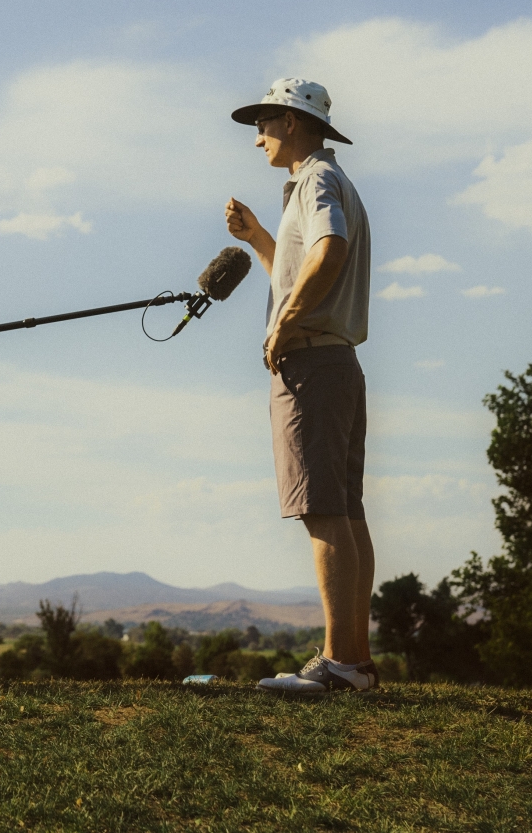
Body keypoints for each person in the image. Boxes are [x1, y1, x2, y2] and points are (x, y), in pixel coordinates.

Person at [224, 77, 377, 693]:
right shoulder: (321, 184)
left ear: (291, 122)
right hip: (335, 362)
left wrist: (283, 326)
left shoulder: (315, 178)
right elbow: (301, 269)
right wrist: (260, 237)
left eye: (263, 122)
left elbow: (330, 252)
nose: (257, 136)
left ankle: (340, 665)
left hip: (311, 365)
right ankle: (355, 662)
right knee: (344, 510)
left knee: (320, 509)